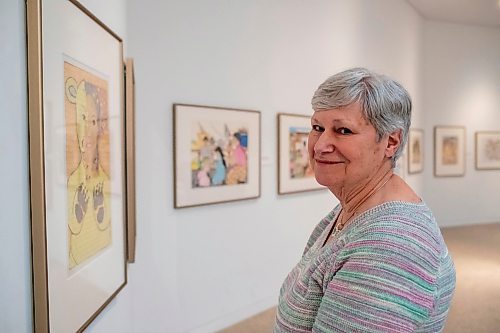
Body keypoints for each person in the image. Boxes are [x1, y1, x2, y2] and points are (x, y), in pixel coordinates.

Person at [274, 68, 456, 333]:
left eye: (343, 130)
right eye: (317, 127)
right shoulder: (350, 209)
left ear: (391, 142)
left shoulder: (390, 246)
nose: (320, 145)